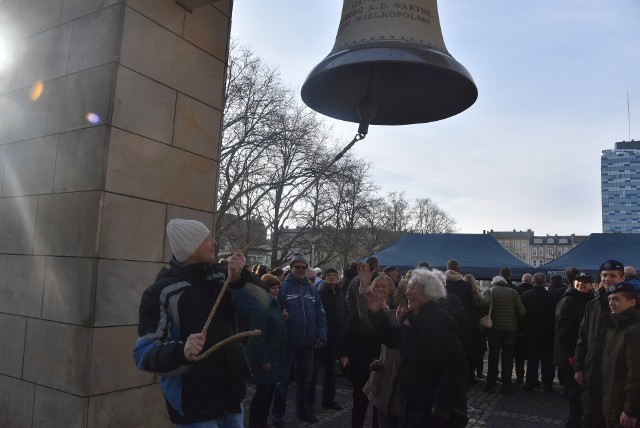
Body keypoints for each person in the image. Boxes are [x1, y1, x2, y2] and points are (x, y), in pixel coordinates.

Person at [133, 219, 269, 427]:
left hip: (232, 400)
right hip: (194, 407)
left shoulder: (222, 276)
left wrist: (240, 279)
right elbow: (144, 354)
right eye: (206, 239)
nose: (213, 242)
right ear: (192, 247)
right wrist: (181, 353)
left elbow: (261, 305)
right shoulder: (160, 292)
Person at [363, 266, 469, 427]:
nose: (407, 292)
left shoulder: (437, 321)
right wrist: (377, 313)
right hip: (414, 402)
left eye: (413, 288)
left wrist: (440, 405)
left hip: (428, 407)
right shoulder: (413, 318)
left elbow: (456, 365)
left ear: (429, 292)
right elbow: (392, 340)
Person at [271, 253, 327, 426]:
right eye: (298, 267)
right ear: (292, 268)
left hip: (308, 342)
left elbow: (320, 314)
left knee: (305, 380)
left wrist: (321, 335)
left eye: (304, 267)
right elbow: (275, 313)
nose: (301, 270)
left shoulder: (312, 289)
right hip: (289, 343)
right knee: (283, 379)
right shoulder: (283, 288)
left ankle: (303, 410)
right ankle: (278, 414)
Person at [574, 259, 626, 428]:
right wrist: (578, 367)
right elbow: (583, 338)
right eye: (604, 275)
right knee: (589, 416)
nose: (607, 278)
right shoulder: (593, 305)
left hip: (618, 376)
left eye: (613, 275)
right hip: (592, 372)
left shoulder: (629, 306)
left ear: (622, 278)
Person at [340, 275, 394, 428]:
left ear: (390, 289)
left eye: (384, 286)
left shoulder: (395, 307)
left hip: (384, 362)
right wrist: (344, 353)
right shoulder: (362, 307)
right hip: (362, 359)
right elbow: (348, 332)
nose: (381, 289)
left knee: (381, 405)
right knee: (359, 401)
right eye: (377, 286)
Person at [553, 272, 594, 427]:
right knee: (575, 392)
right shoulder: (567, 301)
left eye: (585, 281)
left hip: (586, 354)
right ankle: (573, 422)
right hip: (571, 354)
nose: (581, 284)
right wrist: (572, 355)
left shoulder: (591, 301)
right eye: (578, 281)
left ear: (591, 285)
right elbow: (563, 330)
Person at [247, 274, 287, 428]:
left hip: (275, 354)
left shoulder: (276, 305)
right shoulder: (261, 307)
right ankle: (255, 423)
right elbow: (257, 336)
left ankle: (263, 422)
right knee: (262, 392)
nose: (276, 291)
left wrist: (284, 319)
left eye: (277, 287)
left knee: (270, 391)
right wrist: (264, 360)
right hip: (264, 356)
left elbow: (276, 328)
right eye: (273, 288)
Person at [309, 267, 348, 411]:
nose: (332, 277)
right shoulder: (319, 294)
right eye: (329, 275)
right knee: (313, 371)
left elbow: (344, 315)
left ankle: (328, 399)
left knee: (331, 371)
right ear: (325, 278)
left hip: (335, 337)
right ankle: (309, 402)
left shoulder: (340, 295)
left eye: (334, 275)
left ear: (338, 278)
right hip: (321, 337)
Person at [602, 282, 640, 428]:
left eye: (616, 299)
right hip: (612, 403)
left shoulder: (634, 330)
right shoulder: (614, 326)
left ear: (632, 302)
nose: (611, 303)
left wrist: (630, 409)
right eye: (610, 299)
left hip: (624, 407)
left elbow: (635, 373)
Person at [483, 275, 526, 394]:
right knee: (507, 357)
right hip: (510, 330)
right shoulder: (513, 292)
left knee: (493, 357)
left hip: (494, 329)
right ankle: (506, 385)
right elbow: (522, 311)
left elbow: (483, 305)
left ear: (494, 283)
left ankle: (491, 384)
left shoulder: (490, 291)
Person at [521, 273, 555, 392]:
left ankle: (531, 382)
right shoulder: (551, 296)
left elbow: (522, 315)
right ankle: (548, 384)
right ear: (545, 282)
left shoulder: (525, 295)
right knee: (547, 360)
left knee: (532, 359)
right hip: (547, 333)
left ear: (533, 282)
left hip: (530, 332)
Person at [464, 273, 487, 380]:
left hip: (467, 324)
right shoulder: (477, 293)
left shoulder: (464, 293)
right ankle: (478, 371)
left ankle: (468, 372)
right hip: (477, 325)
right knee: (478, 350)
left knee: (468, 349)